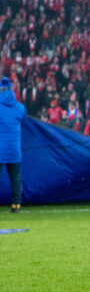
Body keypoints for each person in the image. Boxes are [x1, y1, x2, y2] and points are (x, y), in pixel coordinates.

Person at [0, 77, 26, 213]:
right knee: (15, 179)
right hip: (14, 149)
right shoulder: (20, 108)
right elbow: (24, 123)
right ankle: (16, 206)